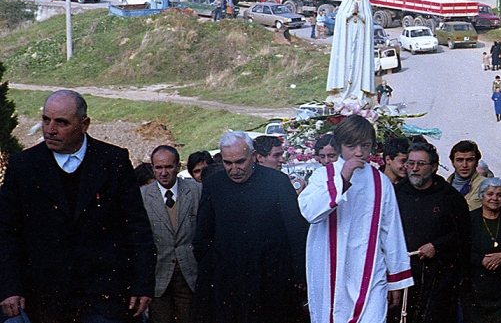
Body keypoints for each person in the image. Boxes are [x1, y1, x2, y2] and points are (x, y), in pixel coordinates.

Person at [0, 90, 156, 323]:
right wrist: (10, 288)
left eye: (61, 123)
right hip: (44, 300)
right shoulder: (23, 166)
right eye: (45, 120)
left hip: (105, 299)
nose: (50, 129)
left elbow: (137, 228)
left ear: (84, 124)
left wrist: (142, 284)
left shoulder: (113, 161)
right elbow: (6, 232)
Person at [298, 115, 413, 323]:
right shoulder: (323, 176)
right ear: (340, 146)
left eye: (365, 145)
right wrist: (343, 178)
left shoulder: (381, 182)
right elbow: (310, 212)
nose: (359, 153)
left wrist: (397, 279)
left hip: (370, 271)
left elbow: (392, 230)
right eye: (351, 146)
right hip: (330, 267)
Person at [192, 131, 308, 323]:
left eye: (240, 162)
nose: (234, 169)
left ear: (253, 157)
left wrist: (299, 273)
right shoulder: (214, 184)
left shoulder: (276, 182)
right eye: (228, 163)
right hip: (229, 282)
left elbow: (295, 230)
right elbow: (204, 234)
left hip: (272, 280)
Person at [393, 142, 471, 323]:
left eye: (421, 164)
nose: (414, 169)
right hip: (404, 273)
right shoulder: (396, 194)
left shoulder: (450, 197)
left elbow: (463, 235)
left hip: (439, 278)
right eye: (410, 163)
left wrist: (437, 246)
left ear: (434, 167)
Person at [141, 145, 202, 323]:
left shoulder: (196, 191)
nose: (163, 172)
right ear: (153, 168)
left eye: (168, 167)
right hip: (158, 275)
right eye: (158, 168)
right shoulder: (142, 196)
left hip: (189, 273)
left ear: (178, 167)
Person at [464, 178, 501, 323]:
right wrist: (481, 260)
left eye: (499, 195)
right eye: (490, 194)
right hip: (475, 290)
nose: (494, 198)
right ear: (482, 196)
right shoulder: (469, 219)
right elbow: (461, 251)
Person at [326, 0, 375, 106]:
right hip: (347, 39)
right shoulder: (347, 2)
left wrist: (358, 14)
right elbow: (341, 19)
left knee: (358, 63)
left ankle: (357, 91)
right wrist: (350, 14)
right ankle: (342, 91)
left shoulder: (365, 3)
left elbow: (368, 21)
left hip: (360, 39)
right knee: (346, 62)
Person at [446, 140, 486, 211]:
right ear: (452, 162)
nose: (464, 165)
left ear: (476, 163)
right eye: (459, 160)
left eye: (469, 160)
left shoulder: (485, 185)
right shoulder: (444, 184)